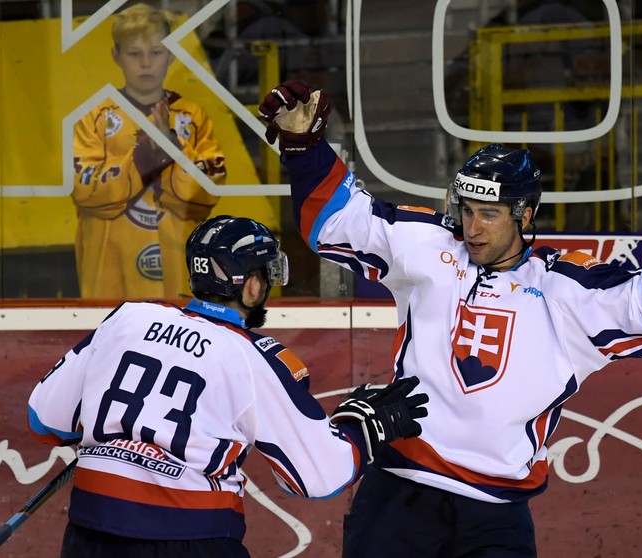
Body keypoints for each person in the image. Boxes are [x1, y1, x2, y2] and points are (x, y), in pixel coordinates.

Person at [259, 80, 642, 557]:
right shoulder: (428, 246)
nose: (472, 228)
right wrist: (304, 147)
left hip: (495, 516)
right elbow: (336, 222)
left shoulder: (563, 288)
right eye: (467, 210)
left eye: (489, 215)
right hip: (399, 494)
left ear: (525, 213)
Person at [27, 215, 429, 557]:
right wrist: (363, 429)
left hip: (89, 532)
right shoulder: (253, 358)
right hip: (190, 539)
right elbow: (319, 476)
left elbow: (45, 420)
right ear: (251, 285)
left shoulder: (127, 320)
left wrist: (124, 442)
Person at [72, 3, 227, 299]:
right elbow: (85, 190)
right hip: (111, 275)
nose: (145, 63)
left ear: (170, 55)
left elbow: (207, 190)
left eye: (155, 53)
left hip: (178, 267)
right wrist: (143, 156)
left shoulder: (192, 118)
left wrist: (169, 148)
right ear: (116, 56)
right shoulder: (94, 118)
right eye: (134, 53)